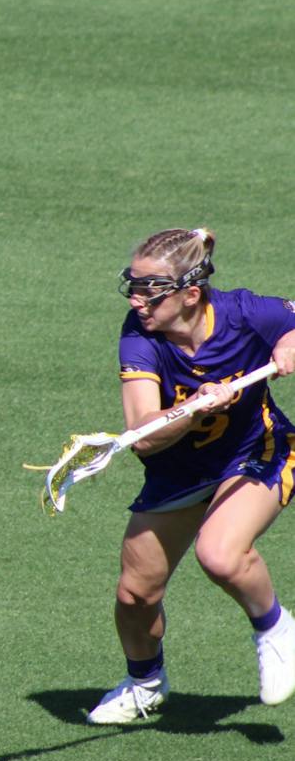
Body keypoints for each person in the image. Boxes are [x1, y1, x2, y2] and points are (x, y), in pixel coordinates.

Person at [88, 227, 295, 724]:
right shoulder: (140, 336)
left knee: (219, 555)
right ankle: (145, 685)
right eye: (132, 286)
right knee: (135, 595)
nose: (136, 300)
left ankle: (276, 630)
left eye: (149, 291)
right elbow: (142, 434)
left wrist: (288, 345)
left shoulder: (245, 313)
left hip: (255, 452)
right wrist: (192, 412)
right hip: (178, 471)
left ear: (190, 294)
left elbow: (291, 324)